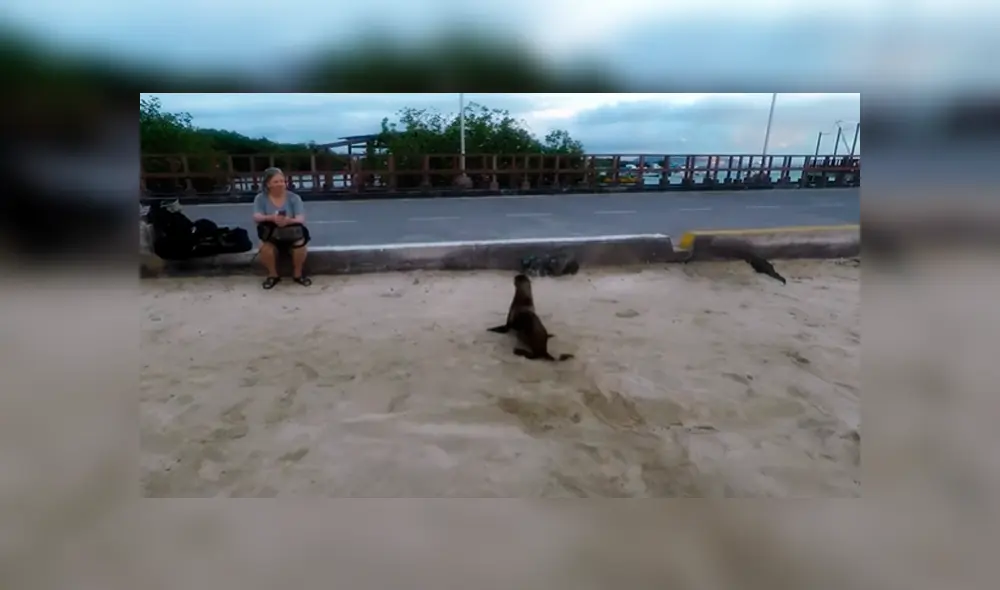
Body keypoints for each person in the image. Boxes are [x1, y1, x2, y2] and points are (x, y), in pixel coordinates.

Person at [253, 167, 311, 288]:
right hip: (271, 233)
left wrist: (289, 221)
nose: (280, 184)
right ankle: (273, 275)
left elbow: (300, 218)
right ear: (268, 184)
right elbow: (257, 216)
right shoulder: (260, 198)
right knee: (265, 247)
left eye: (282, 181)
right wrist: (271, 218)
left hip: (291, 231)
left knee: (300, 246)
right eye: (276, 182)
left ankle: (298, 274)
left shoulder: (294, 198)